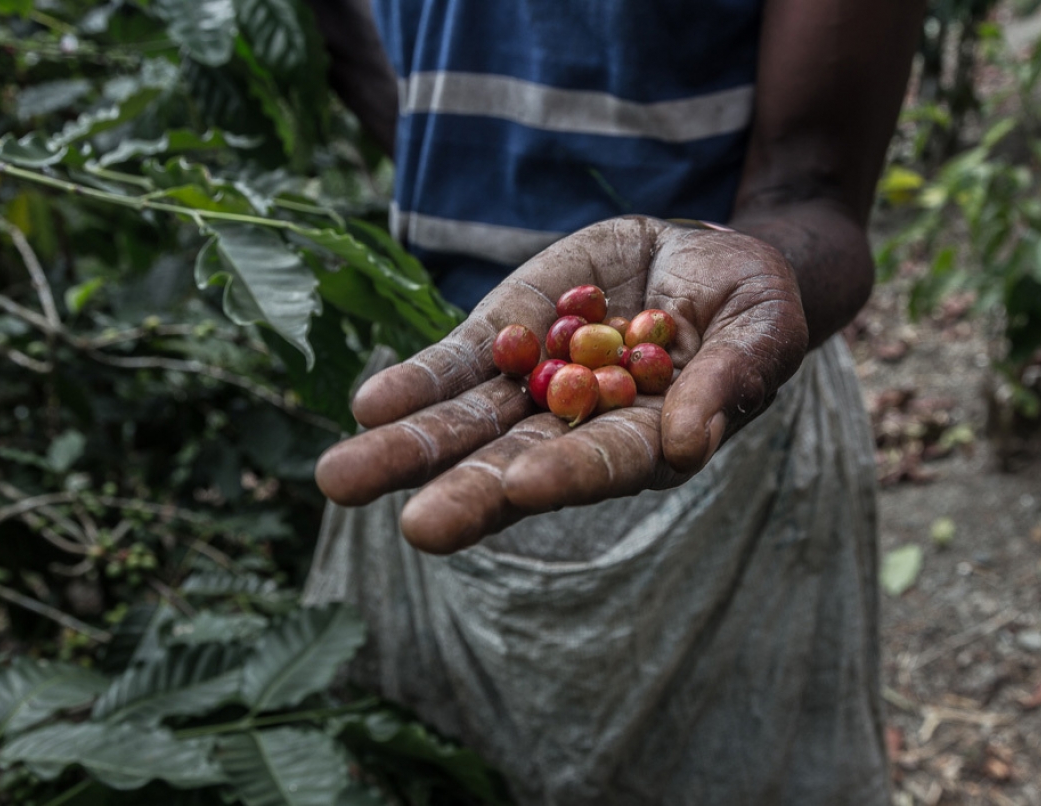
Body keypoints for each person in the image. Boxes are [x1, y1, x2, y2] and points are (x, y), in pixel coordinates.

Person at [303, 1, 925, 803]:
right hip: (447, 376)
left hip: (723, 426)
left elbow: (818, 185)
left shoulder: (617, 353)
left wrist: (740, 272)